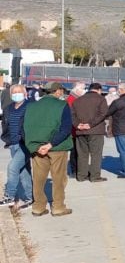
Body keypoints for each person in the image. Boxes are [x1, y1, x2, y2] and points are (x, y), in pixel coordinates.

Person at [23, 83, 74, 216]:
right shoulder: (62, 105)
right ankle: (58, 207)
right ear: (57, 91)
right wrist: (51, 144)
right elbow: (66, 128)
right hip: (57, 147)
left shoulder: (31, 106)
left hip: (37, 148)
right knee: (59, 178)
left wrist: (35, 146)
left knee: (38, 178)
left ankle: (38, 207)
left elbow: (24, 128)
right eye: (61, 91)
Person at [1, 84, 33, 209]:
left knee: (12, 168)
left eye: (19, 92)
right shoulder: (8, 108)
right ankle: (30, 197)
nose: (16, 94)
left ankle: (9, 196)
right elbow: (5, 124)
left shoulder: (30, 106)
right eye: (14, 92)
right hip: (13, 144)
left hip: (24, 144)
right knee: (23, 172)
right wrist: (7, 140)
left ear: (25, 93)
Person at [72, 82, 109, 182]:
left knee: (82, 154)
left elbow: (72, 115)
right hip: (96, 131)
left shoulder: (77, 100)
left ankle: (81, 175)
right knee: (96, 154)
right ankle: (95, 176)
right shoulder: (101, 99)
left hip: (80, 131)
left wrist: (78, 125)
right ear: (99, 90)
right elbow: (103, 114)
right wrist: (90, 124)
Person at [66, 82, 86, 175]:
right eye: (83, 89)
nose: (84, 91)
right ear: (77, 90)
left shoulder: (75, 99)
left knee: (77, 151)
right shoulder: (71, 100)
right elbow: (72, 116)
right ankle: (74, 170)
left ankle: (77, 169)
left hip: (76, 129)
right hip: (73, 130)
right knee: (74, 151)